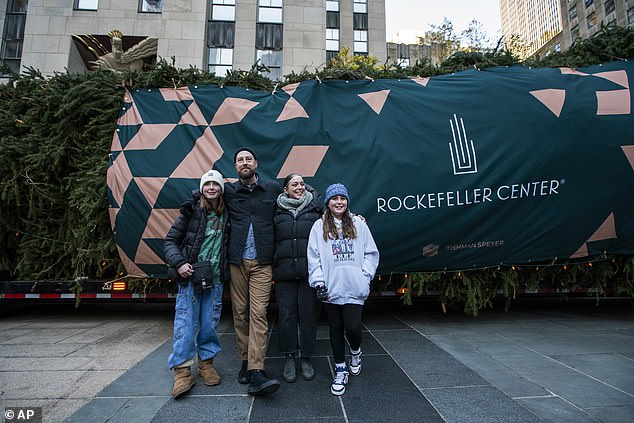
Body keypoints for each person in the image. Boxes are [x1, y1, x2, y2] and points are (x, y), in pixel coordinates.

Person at [307, 183, 379, 396]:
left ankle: (355, 351)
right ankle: (340, 369)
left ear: (347, 201)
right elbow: (314, 257)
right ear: (328, 203)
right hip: (331, 288)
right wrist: (319, 282)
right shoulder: (318, 226)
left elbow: (371, 253)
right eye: (334, 199)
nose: (339, 202)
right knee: (335, 329)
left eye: (342, 198)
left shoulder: (359, 223)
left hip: (354, 287)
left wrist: (364, 276)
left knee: (353, 327)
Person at [163, 169, 229, 399]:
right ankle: (181, 372)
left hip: (215, 280)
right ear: (202, 188)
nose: (211, 188)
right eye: (207, 184)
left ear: (221, 188)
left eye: (216, 184)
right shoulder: (190, 211)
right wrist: (180, 263)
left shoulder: (227, 212)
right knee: (185, 324)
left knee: (209, 324)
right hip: (190, 278)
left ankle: (206, 365)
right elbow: (170, 241)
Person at [223, 147, 282, 395]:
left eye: (248, 159)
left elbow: (303, 194)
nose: (244, 163)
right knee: (240, 313)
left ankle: (257, 369)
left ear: (256, 163)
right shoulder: (228, 190)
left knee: (258, 313)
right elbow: (205, 193)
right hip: (237, 261)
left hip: (262, 262)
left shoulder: (272, 188)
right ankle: (245, 361)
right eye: (240, 160)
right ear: (236, 166)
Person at [273, 173, 323, 383]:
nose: (300, 187)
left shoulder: (315, 210)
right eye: (295, 184)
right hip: (284, 273)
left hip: (309, 273)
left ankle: (306, 358)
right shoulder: (275, 212)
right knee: (286, 316)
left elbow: (338, 217)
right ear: (285, 189)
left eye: (302, 184)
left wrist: (356, 218)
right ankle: (289, 357)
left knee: (309, 315)